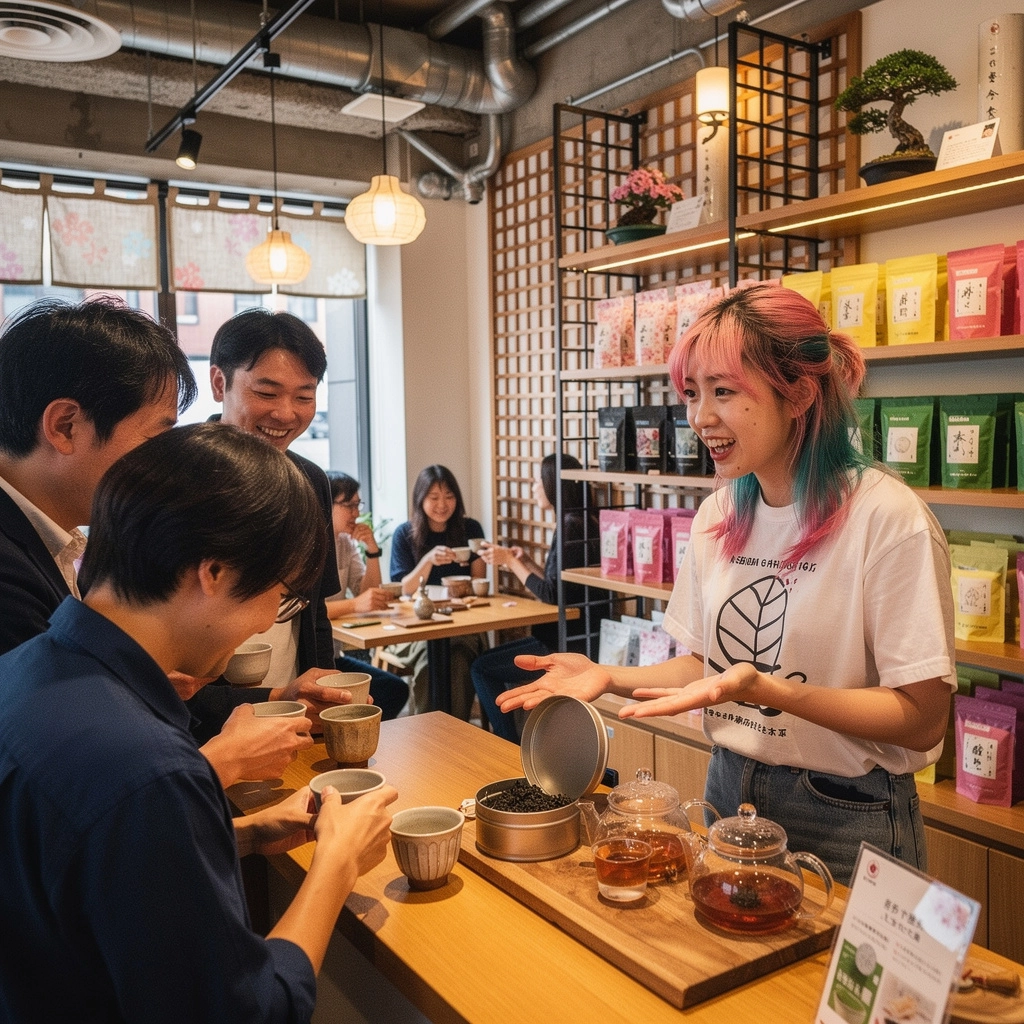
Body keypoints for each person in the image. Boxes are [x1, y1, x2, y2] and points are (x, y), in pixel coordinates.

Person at [497, 285, 955, 885]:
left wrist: (773, 691)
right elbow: (705, 665)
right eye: (691, 394)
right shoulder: (718, 516)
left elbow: (922, 720)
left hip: (849, 811)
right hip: (727, 788)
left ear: (799, 394)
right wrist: (610, 678)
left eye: (724, 391)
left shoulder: (887, 520)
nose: (699, 418)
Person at [0, 422, 397, 1023]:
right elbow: (249, 1009)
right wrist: (336, 863)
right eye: (280, 594)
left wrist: (244, 832)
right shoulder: (144, 768)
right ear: (212, 573)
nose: (268, 622)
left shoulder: (27, 669)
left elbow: (88, 873)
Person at [0, 297, 307, 787]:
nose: (163, 466)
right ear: (64, 426)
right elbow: (60, 781)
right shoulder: (9, 572)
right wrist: (210, 768)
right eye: (155, 440)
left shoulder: (59, 542)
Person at [205, 307, 355, 741]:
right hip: (203, 727)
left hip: (293, 715)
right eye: (267, 393)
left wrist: (326, 696)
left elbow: (315, 612)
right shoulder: (177, 479)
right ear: (220, 383)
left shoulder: (311, 481)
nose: (286, 414)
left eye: (304, 396)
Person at [471, 453, 606, 741]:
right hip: (572, 634)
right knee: (486, 664)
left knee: (482, 668)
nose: (533, 486)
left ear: (552, 484)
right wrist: (529, 562)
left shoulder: (571, 525)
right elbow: (561, 587)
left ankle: (510, 744)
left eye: (536, 481)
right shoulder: (580, 520)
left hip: (564, 643)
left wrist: (510, 561)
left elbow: (552, 595)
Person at [388, 465, 486, 718]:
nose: (442, 504)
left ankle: (456, 729)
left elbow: (479, 582)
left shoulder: (470, 529)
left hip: (460, 623)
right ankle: (425, 730)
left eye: (449, 496)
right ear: (420, 499)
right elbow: (401, 589)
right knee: (428, 656)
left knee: (460, 653)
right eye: (434, 497)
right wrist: (428, 560)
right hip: (414, 626)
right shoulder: (405, 534)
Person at [325, 472, 408, 719]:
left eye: (357, 505)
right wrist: (354, 605)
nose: (356, 513)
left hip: (334, 656)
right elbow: (306, 610)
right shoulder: (310, 545)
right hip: (314, 663)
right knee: (388, 691)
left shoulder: (345, 544)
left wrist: (372, 550)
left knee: (394, 690)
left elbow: (368, 595)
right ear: (324, 504)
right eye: (348, 505)